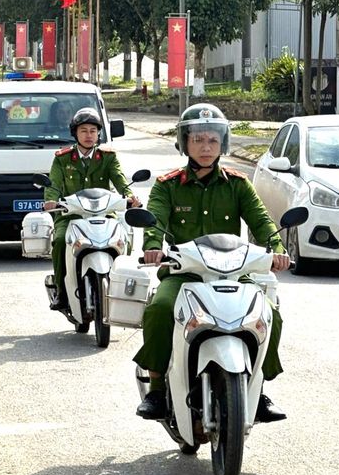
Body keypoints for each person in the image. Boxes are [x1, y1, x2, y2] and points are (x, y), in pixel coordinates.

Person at [134, 104, 290, 423]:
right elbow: (155, 223)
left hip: (233, 272)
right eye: (198, 140)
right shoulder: (167, 185)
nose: (206, 148)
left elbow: (262, 221)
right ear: (184, 143)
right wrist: (152, 248)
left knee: (268, 314)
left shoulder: (238, 184)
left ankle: (257, 391)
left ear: (223, 144)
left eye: (213, 141)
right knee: (160, 309)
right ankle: (157, 389)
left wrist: (276, 248)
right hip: (184, 273)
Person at [43, 108, 142, 311]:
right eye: (84, 131)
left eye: (93, 131)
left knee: (124, 239)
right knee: (60, 241)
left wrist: (130, 196)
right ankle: (61, 292)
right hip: (70, 215)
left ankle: (121, 287)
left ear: (98, 134)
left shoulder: (108, 157)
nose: (89, 135)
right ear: (75, 134)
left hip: (104, 213)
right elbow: (53, 184)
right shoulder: (62, 158)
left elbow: (119, 179)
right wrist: (51, 201)